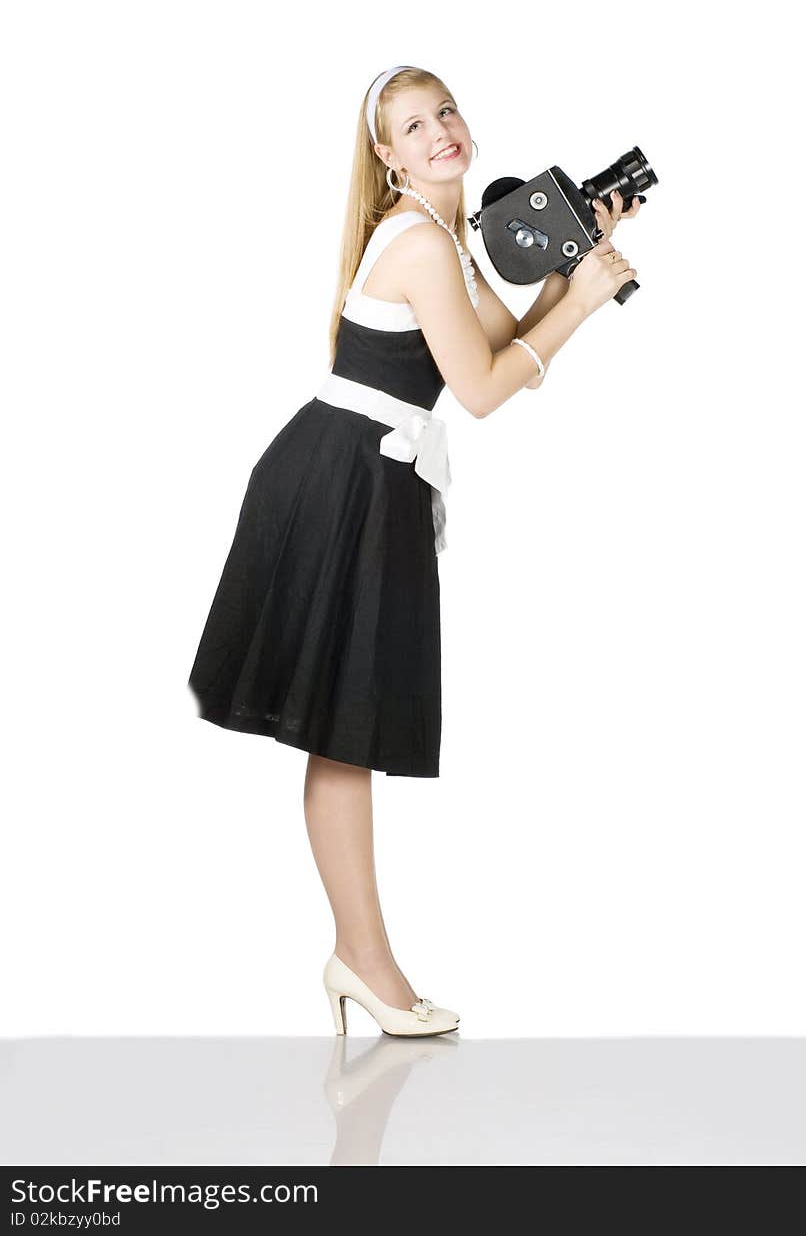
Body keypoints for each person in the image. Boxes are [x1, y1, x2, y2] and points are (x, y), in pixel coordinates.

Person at [187, 64, 641, 1036]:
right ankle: (365, 965)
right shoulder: (420, 243)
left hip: (368, 477)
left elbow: (493, 341)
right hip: (340, 482)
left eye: (444, 112)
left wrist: (572, 263)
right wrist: (587, 301)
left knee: (345, 726)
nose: (439, 132)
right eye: (412, 126)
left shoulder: (445, 236)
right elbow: (478, 389)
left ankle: (360, 962)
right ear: (386, 159)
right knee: (339, 727)